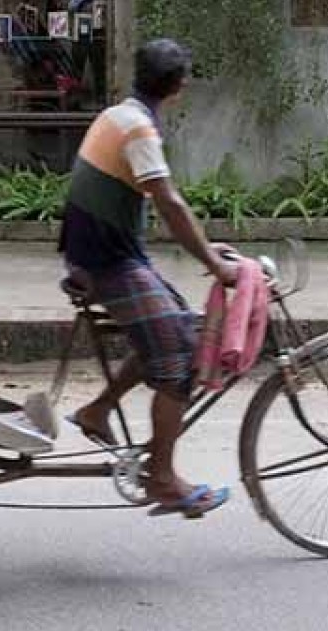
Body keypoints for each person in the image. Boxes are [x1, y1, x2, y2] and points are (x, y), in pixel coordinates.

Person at [60, 37, 239, 519]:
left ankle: (97, 411)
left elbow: (159, 204)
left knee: (171, 326)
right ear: (179, 88)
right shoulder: (139, 128)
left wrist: (206, 249)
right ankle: (162, 479)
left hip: (99, 255)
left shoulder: (119, 114)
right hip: (106, 265)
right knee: (180, 357)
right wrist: (216, 265)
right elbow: (169, 204)